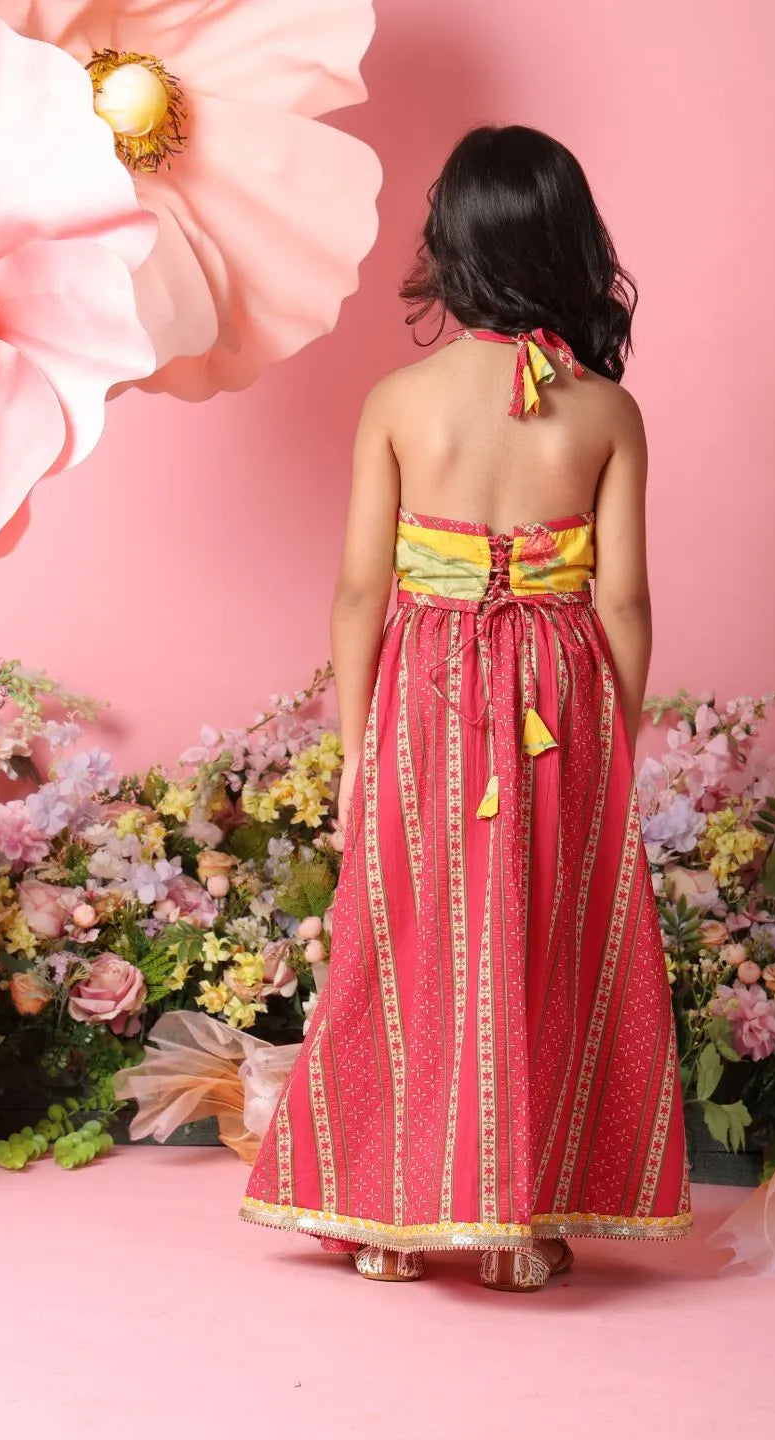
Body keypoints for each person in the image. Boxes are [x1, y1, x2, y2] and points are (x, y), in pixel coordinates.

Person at [240, 124, 690, 1291]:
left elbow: (357, 590)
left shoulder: (399, 399)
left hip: (427, 691)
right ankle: (521, 1229)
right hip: (558, 701)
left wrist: (353, 749)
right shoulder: (605, 412)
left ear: (452, 249)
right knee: (535, 946)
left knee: (407, 943)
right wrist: (615, 743)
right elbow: (626, 601)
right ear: (568, 247)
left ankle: (393, 1221)